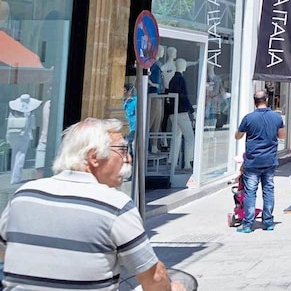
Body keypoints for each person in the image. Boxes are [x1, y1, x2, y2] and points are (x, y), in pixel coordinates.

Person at [0, 118, 184, 290]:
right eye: (122, 150)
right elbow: (155, 278)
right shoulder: (115, 206)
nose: (128, 159)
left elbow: (4, 253)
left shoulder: (24, 194)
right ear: (94, 156)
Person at [235, 90, 286, 232]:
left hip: (252, 161)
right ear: (267, 100)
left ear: (254, 101)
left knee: (250, 192)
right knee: (268, 191)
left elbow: (238, 136)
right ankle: (268, 222)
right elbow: (282, 136)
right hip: (269, 160)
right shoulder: (276, 117)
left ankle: (248, 224)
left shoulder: (248, 118)